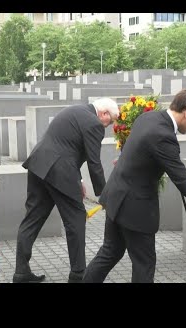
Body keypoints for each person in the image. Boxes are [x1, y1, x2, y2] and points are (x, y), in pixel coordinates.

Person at [83, 89, 186, 283]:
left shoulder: (149, 118)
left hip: (116, 197)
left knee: (109, 253)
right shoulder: (164, 135)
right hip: (135, 208)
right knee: (144, 264)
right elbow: (181, 182)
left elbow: (164, 164)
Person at [13, 98, 119, 283]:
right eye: (109, 122)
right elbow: (94, 162)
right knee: (76, 219)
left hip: (39, 164)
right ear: (104, 114)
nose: (108, 126)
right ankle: (78, 275)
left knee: (32, 218)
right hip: (59, 170)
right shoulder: (94, 123)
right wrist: (105, 195)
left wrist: (79, 180)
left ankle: (21, 271)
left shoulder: (76, 110)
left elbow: (67, 146)